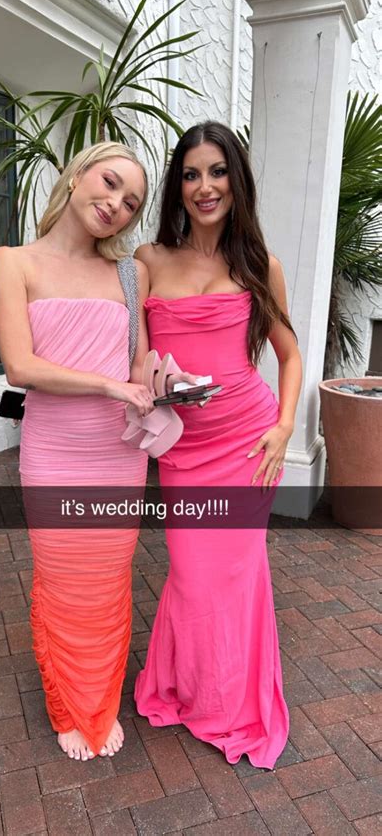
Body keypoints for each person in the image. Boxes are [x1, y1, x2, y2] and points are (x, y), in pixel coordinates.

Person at [133, 121, 302, 769]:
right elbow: (135, 355)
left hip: (246, 443)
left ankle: (228, 701)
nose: (205, 187)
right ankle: (188, 685)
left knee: (232, 576)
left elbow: (289, 355)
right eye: (191, 174)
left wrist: (284, 426)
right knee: (190, 573)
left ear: (237, 180)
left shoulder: (260, 266)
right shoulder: (148, 261)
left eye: (218, 171)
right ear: (177, 186)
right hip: (184, 448)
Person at [0, 142, 157, 763]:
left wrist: (163, 383)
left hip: (119, 454)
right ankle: (69, 707)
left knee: (108, 582)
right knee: (63, 581)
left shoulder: (131, 274)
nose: (116, 204)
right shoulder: (12, 261)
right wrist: (110, 386)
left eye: (131, 202)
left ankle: (100, 704)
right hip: (55, 451)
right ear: (78, 174)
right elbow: (20, 366)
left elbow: (137, 361)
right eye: (110, 183)